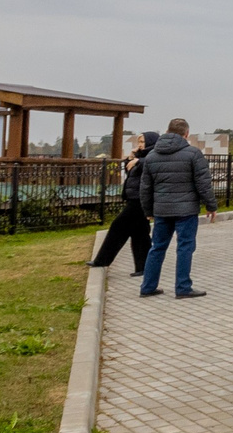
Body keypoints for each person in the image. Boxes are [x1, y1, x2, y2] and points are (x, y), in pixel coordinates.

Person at [135, 116, 216, 298]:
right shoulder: (193, 154)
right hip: (186, 210)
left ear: (167, 132)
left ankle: (147, 287)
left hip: (162, 210)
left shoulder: (152, 156)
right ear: (186, 133)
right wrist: (211, 205)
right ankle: (183, 287)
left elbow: (145, 188)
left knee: (157, 247)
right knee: (185, 247)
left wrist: (148, 211)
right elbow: (203, 184)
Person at [89, 133, 155, 277]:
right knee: (139, 234)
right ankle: (144, 267)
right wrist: (131, 158)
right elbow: (131, 173)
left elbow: (153, 164)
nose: (140, 144)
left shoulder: (152, 156)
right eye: (139, 142)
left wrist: (138, 161)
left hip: (140, 199)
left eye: (143, 141)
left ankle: (102, 260)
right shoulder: (140, 157)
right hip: (134, 198)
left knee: (118, 227)